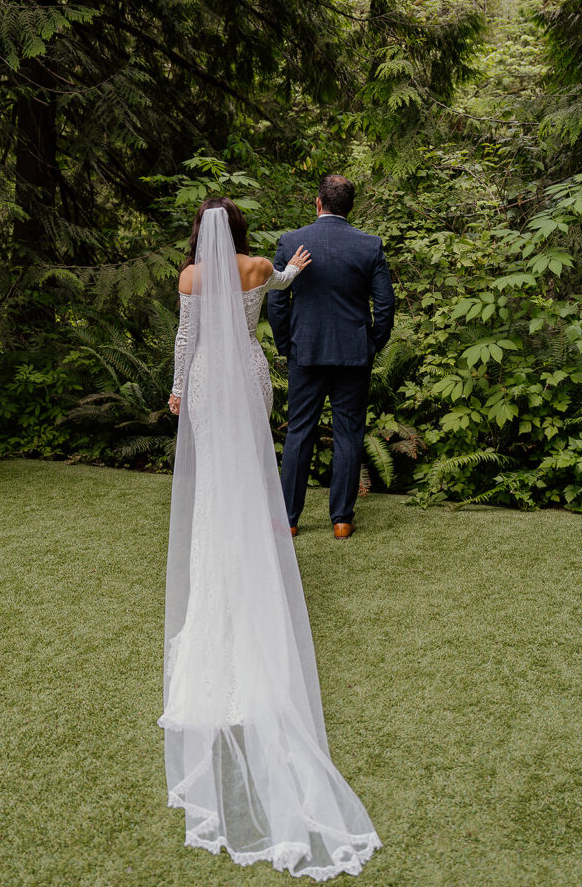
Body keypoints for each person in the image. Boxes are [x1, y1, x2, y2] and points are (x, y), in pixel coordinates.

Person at [160, 198, 381, 881]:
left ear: (201, 233)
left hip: (205, 382)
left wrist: (175, 390)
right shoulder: (258, 265)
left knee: (216, 479)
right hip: (249, 375)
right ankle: (253, 555)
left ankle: (217, 577)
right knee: (249, 474)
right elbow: (279, 286)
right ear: (242, 234)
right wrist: (290, 269)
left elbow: (186, 341)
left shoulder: (191, 275)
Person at [268, 175, 395, 539]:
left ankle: (289, 520)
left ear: (318, 202)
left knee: (299, 432)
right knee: (349, 434)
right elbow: (385, 304)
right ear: (350, 207)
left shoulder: (292, 241)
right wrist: (371, 344)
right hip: (353, 355)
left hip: (304, 353)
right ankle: (341, 520)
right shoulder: (369, 246)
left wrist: (286, 344)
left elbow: (277, 299)